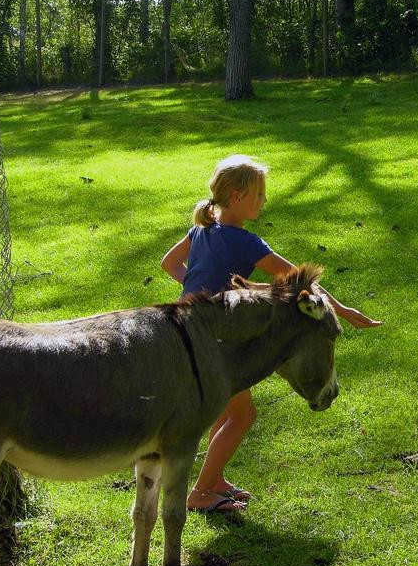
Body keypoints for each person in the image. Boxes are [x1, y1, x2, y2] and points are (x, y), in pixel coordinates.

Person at [161, 154, 381, 514]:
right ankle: (200, 493)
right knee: (243, 415)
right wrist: (344, 311)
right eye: (259, 194)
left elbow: (169, 264)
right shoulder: (246, 242)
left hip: (188, 331)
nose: (263, 201)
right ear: (236, 197)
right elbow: (302, 284)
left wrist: (197, 293)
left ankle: (214, 480)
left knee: (225, 411)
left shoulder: (200, 230)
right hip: (217, 341)